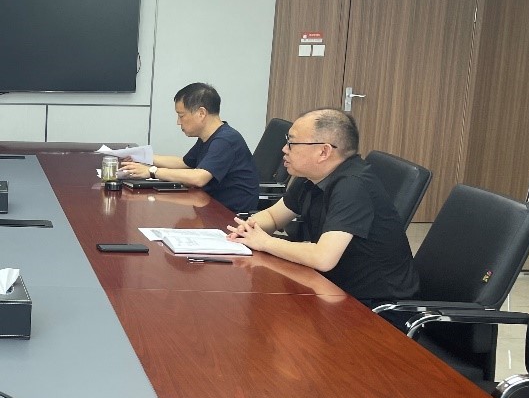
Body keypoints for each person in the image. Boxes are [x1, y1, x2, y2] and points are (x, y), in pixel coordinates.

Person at [226, 108, 419, 317]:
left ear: (324, 152)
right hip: (333, 289)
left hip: (376, 309)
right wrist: (248, 228)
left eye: (292, 143)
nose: (284, 149)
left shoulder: (353, 186)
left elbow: (323, 258)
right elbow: (273, 217)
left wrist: (265, 242)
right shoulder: (311, 176)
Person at [120, 82, 259, 216]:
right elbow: (185, 163)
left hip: (230, 216)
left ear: (201, 113)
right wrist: (141, 157)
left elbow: (198, 178)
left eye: (181, 115)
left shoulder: (225, 140)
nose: (178, 122)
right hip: (211, 207)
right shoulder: (210, 137)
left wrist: (151, 171)